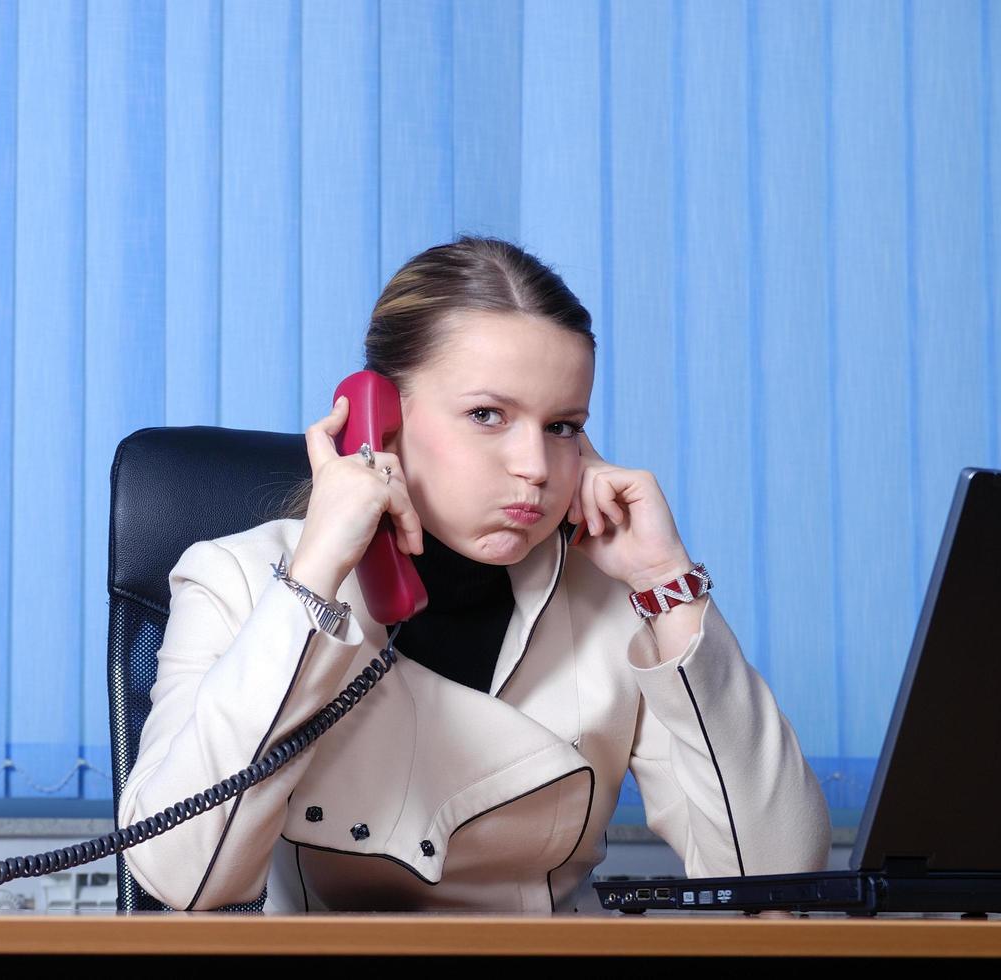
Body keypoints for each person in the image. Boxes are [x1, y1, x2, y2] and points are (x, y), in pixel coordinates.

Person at [116, 234, 833, 914]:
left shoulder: (618, 604)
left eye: (562, 426)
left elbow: (777, 883)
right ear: (379, 420)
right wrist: (316, 578)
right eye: (488, 414)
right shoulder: (240, 580)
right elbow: (187, 877)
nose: (535, 466)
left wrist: (666, 584)